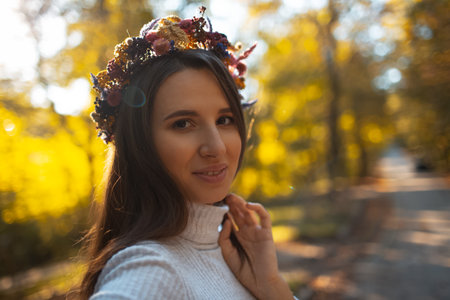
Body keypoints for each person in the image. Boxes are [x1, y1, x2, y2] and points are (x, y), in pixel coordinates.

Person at [77, 7, 296, 300]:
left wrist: (271, 286)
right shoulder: (150, 267)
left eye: (224, 120)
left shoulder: (236, 256)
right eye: (183, 124)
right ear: (139, 143)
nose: (217, 147)